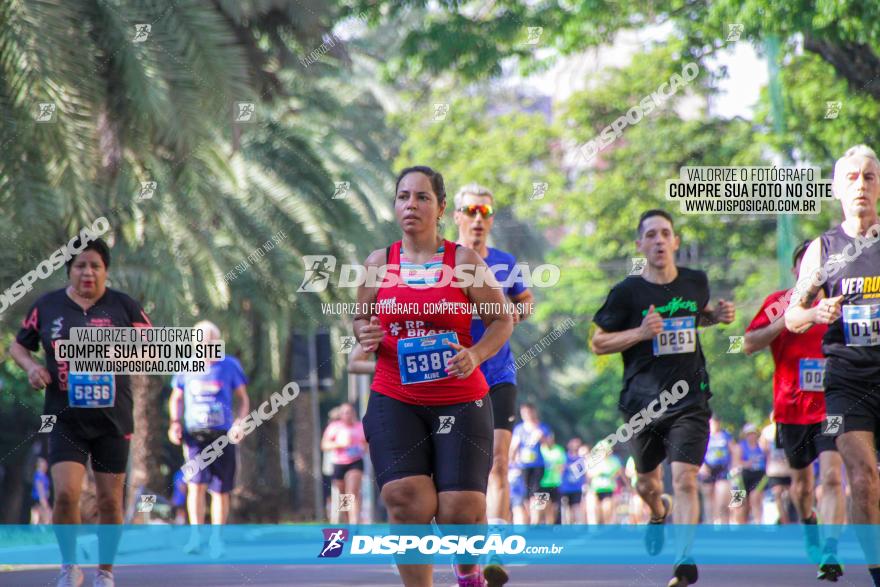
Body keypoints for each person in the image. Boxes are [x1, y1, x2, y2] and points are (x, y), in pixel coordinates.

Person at [353, 165, 513, 587]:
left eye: (422, 197)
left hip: (460, 397)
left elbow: (502, 319)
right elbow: (360, 318)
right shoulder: (377, 263)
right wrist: (364, 332)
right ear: (395, 205)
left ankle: (467, 571)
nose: (412, 205)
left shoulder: (462, 261)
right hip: (395, 396)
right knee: (407, 500)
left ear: (441, 208)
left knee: (459, 507)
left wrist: (476, 354)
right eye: (404, 196)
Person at [591, 209, 735, 587]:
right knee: (646, 485)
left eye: (664, 234)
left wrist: (715, 315)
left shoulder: (695, 282)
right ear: (640, 245)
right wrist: (639, 333)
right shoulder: (627, 292)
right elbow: (598, 342)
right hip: (642, 404)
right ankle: (657, 512)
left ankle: (684, 559)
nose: (658, 241)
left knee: (685, 478)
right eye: (650, 235)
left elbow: (692, 316)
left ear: (675, 242)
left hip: (690, 401)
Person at [10, 237, 152, 587]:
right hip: (64, 418)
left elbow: (150, 347)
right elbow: (18, 346)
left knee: (109, 500)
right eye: (80, 266)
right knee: (66, 493)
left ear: (105, 271)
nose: (87, 272)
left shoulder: (124, 307)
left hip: (113, 419)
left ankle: (105, 572)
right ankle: (69, 566)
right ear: (69, 270)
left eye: (95, 266)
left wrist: (118, 357)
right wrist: (31, 368)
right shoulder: (48, 306)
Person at [786, 145, 880, 586]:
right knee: (862, 478)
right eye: (852, 178)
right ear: (836, 188)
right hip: (847, 377)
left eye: (869, 176)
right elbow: (792, 315)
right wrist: (815, 314)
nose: (861, 185)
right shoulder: (823, 249)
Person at [746, 239, 845, 576]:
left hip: (832, 405)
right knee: (801, 486)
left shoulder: (839, 301)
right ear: (795, 271)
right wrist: (786, 321)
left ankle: (830, 550)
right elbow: (748, 343)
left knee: (832, 477)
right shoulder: (778, 303)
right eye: (806, 265)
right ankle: (809, 521)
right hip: (791, 409)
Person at [454, 183, 534, 584]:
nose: (479, 218)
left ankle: (495, 549)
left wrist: (517, 312)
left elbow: (526, 300)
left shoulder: (505, 262)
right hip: (455, 378)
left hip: (498, 373)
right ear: (456, 217)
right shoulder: (444, 263)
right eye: (471, 211)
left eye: (485, 212)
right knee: (466, 470)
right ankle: (467, 545)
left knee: (499, 461)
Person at [167, 321, 249, 557]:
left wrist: (239, 423)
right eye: (201, 341)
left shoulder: (230, 365)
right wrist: (175, 423)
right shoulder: (186, 365)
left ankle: (217, 539)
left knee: (221, 490)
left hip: (223, 435)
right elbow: (176, 398)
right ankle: (195, 537)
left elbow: (243, 399)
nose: (206, 345)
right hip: (195, 436)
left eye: (210, 340)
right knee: (196, 485)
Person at [321, 403, 367, 524]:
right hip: (339, 464)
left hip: (355, 462)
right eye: (345, 412)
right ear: (340, 415)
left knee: (352, 491)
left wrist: (363, 447)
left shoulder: (360, 427)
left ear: (354, 414)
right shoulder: (334, 427)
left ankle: (354, 523)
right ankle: (348, 522)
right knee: (344, 497)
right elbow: (324, 445)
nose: (348, 415)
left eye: (350, 412)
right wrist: (340, 444)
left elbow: (366, 444)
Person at [510, 403, 551, 525]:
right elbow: (513, 448)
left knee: (536, 493)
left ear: (534, 412)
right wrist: (512, 463)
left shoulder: (542, 427)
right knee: (525, 496)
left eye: (528, 412)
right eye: (524, 412)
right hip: (523, 466)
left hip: (538, 465)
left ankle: (535, 522)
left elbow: (549, 446)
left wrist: (541, 436)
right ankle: (529, 520)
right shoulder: (519, 429)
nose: (526, 415)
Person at [698, 417, 735, 524]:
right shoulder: (704, 436)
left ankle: (722, 521)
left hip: (722, 469)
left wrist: (733, 466)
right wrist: (702, 466)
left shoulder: (726, 436)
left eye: (716, 422)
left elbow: (734, 451)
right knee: (708, 496)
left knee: (722, 495)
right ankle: (709, 521)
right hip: (707, 469)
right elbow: (698, 452)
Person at [759, 418, 793, 524]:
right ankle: (784, 520)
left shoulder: (790, 429)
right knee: (777, 493)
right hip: (774, 470)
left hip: (789, 470)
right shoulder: (767, 431)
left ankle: (792, 517)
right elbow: (762, 448)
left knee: (791, 495)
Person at [733, 423, 766, 525]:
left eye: (753, 433)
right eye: (748, 434)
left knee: (755, 498)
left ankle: (758, 524)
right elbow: (736, 463)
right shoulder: (740, 446)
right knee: (738, 502)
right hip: (741, 476)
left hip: (758, 475)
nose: (751, 436)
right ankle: (740, 526)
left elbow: (767, 459)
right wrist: (747, 463)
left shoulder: (762, 446)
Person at [589, 442, 624, 525]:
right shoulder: (593, 460)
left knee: (606, 508)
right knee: (594, 509)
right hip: (595, 489)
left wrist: (610, 475)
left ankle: (606, 526)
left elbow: (619, 473)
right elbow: (589, 474)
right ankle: (596, 527)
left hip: (608, 488)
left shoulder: (614, 460)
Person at [537, 432, 566, 524]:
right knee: (542, 504)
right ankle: (541, 522)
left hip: (555, 482)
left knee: (554, 505)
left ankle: (551, 523)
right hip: (542, 482)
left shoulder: (559, 450)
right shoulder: (540, 449)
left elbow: (562, 466)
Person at [559, 438, 587, 524]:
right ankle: (568, 525)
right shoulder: (564, 457)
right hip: (565, 488)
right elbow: (559, 471)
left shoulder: (581, 459)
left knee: (575, 507)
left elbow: (584, 474)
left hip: (576, 488)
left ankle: (576, 525)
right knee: (566, 508)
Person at [30, 457, 52, 525]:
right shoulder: (39, 475)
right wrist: (43, 500)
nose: (46, 466)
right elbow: (39, 487)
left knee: (38, 517)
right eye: (44, 464)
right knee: (46, 515)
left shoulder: (43, 475)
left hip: (42, 498)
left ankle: (37, 532)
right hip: (39, 499)